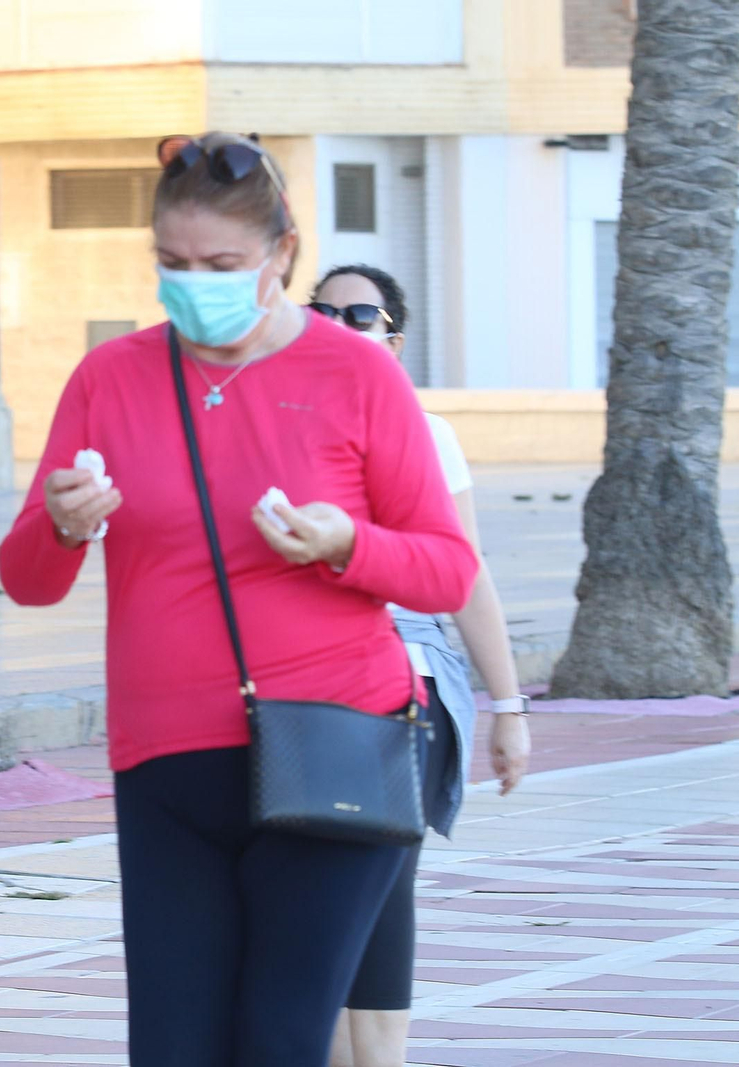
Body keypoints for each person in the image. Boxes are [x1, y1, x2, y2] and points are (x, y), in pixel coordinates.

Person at [0, 133, 479, 1065]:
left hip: (331, 749)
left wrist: (347, 545)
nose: (194, 284)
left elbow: (447, 571)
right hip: (167, 765)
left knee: (278, 1041)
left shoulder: (358, 374)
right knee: (173, 1048)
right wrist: (60, 523)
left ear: (281, 254)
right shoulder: (111, 376)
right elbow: (28, 579)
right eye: (172, 264)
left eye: (221, 265)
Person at [310, 264, 532, 1067]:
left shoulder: (426, 432)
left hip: (406, 674)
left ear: (393, 340)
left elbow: (465, 574)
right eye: (323, 310)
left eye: (360, 315)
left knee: (376, 878)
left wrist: (509, 706)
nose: (339, 324)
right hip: (297, 677)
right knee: (316, 887)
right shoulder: (272, 422)